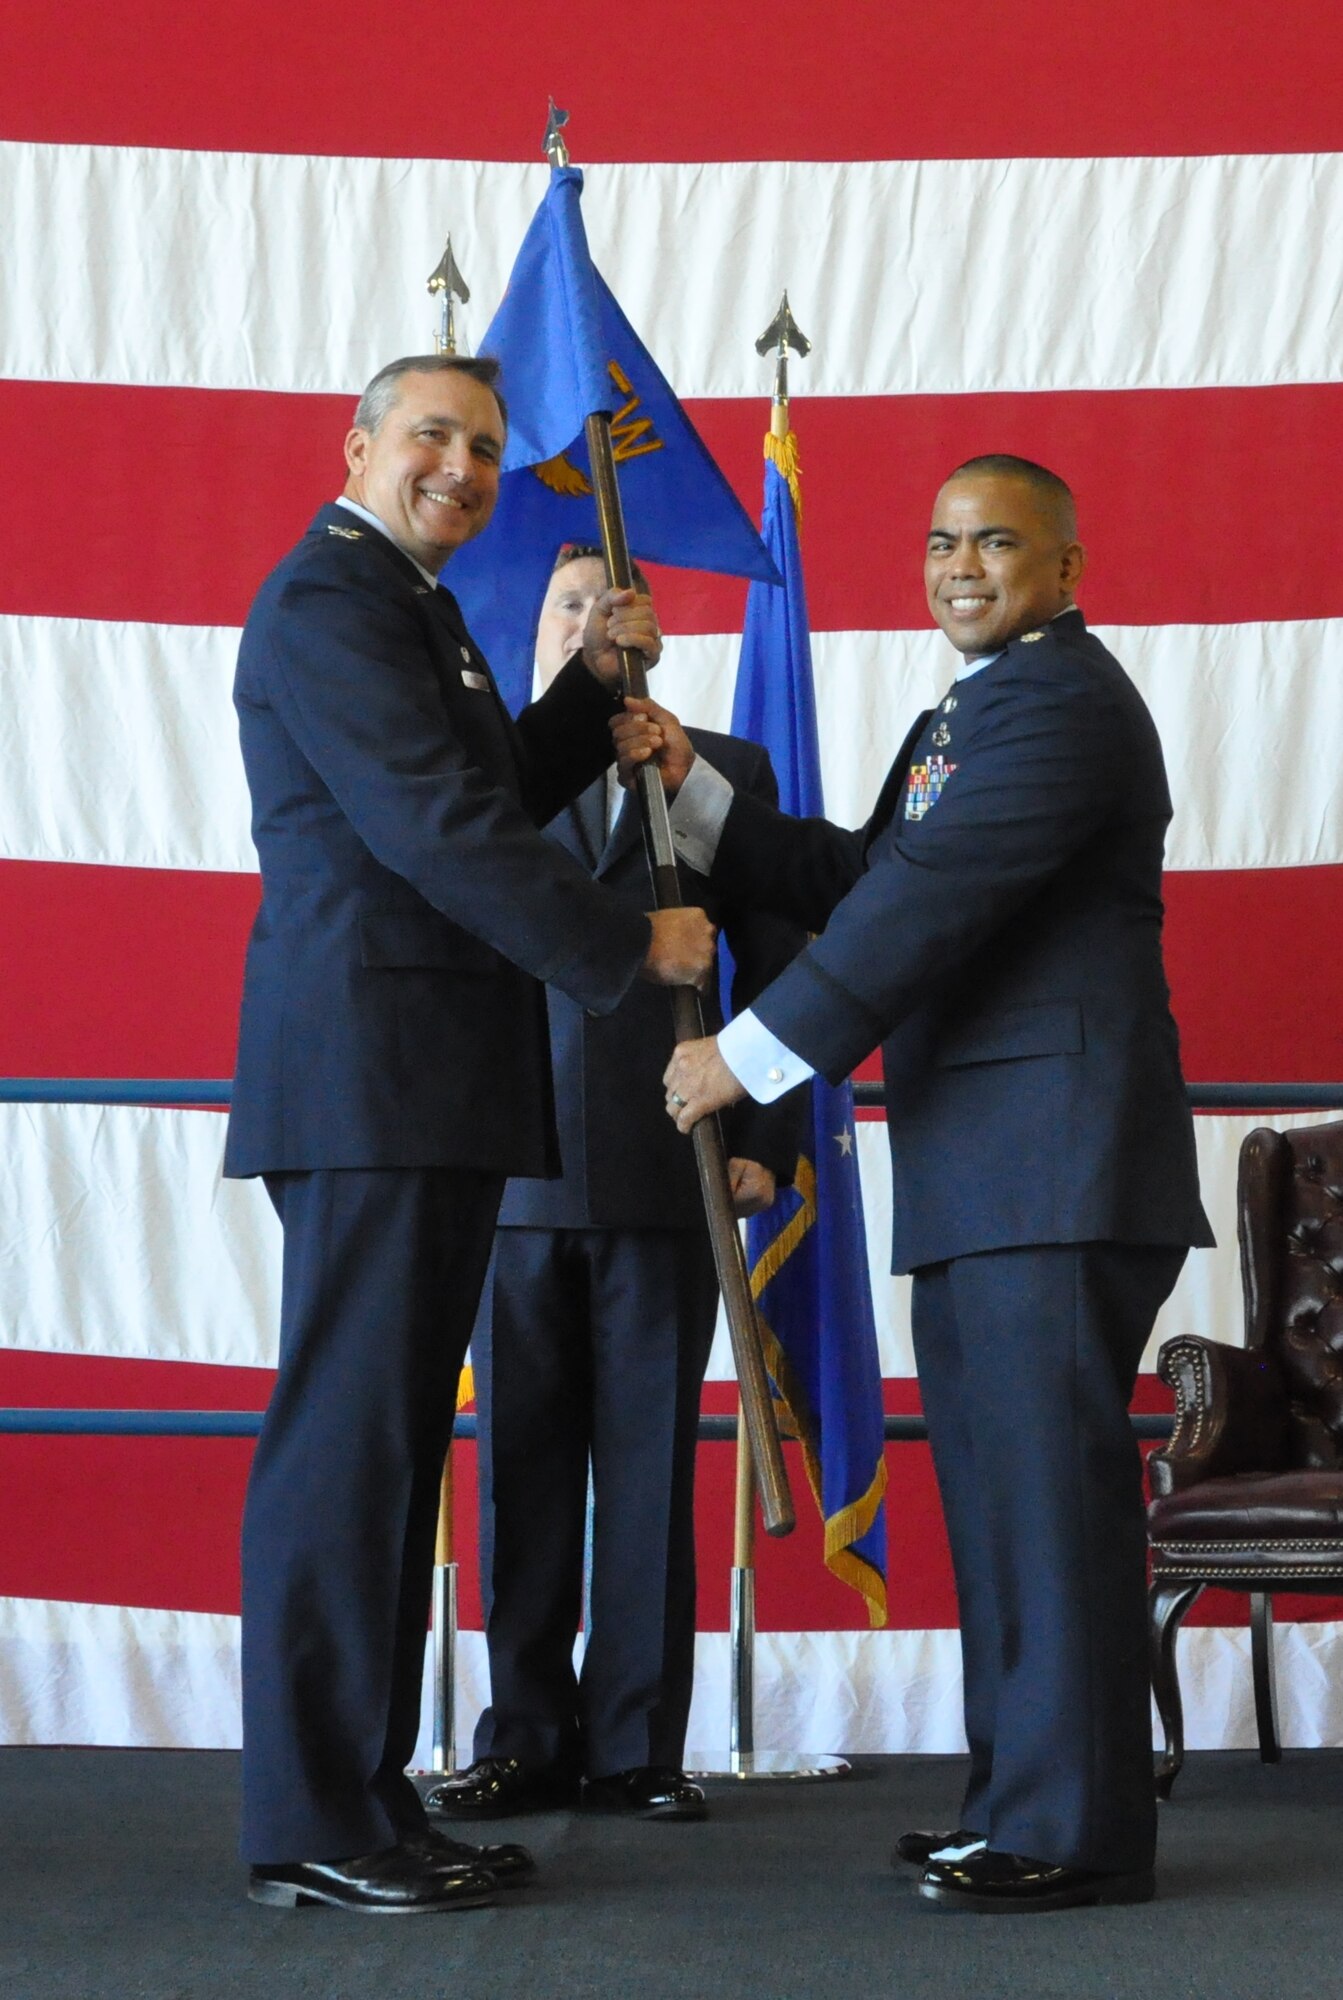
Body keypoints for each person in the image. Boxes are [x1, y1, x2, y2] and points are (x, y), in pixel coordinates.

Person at [623, 455, 1214, 1914]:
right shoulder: (977, 706)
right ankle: (1019, 1798)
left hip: (1052, 1169)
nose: (958, 563)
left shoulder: (1064, 705)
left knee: (1047, 1507)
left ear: (1065, 568)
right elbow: (850, 872)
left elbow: (917, 912)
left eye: (994, 541)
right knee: (1005, 1506)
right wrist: (683, 776)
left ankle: (1072, 1830)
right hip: (988, 1170)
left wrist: (747, 1061)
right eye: (940, 538)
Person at [223, 355, 716, 1916]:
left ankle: (363, 1802)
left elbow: (484, 784)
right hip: (370, 1079)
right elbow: (436, 827)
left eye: (487, 448)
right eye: (431, 434)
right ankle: (315, 1817)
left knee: (388, 1461)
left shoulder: (411, 607)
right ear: (357, 444)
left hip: (420, 1085)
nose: (462, 464)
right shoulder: (328, 600)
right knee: (350, 1455)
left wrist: (582, 695)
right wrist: (624, 949)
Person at [427, 546, 805, 1828]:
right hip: (512, 1162)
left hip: (671, 1158)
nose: (591, 618)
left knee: (646, 1469)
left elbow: (790, 961)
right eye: (567, 604)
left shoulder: (719, 773)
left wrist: (771, 1130)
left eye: (610, 603)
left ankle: (639, 1741)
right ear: (537, 628)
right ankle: (524, 1733)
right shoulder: (480, 768)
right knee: (519, 1471)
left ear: (651, 624)